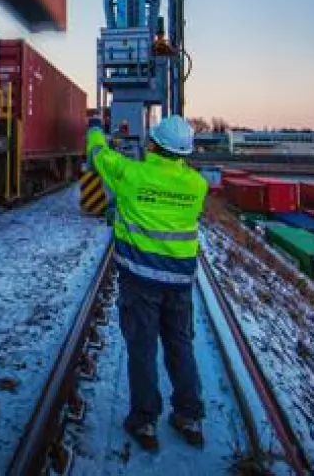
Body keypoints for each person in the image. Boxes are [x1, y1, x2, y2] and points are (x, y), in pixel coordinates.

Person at [85, 114, 209, 451]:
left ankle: (144, 422)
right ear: (184, 152)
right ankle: (189, 416)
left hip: (141, 283)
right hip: (180, 283)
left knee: (142, 349)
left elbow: (98, 157)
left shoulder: (132, 174)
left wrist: (96, 129)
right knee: (180, 346)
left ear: (153, 144)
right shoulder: (197, 185)